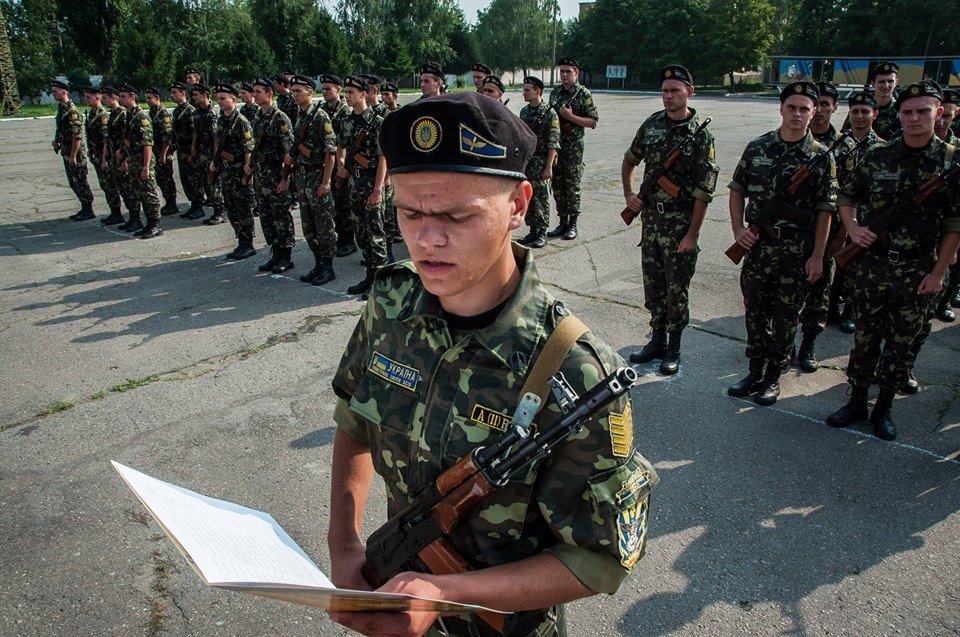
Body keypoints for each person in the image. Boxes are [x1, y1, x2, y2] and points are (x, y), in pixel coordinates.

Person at [327, 91, 656, 637]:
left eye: (458, 215)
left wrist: (447, 592)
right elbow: (353, 421)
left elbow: (597, 559)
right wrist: (344, 545)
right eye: (408, 211)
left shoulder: (576, 373)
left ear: (519, 206)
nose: (426, 239)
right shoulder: (391, 304)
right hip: (391, 600)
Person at [826, 81, 960, 440]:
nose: (914, 118)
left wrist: (938, 272)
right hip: (874, 265)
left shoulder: (950, 161)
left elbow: (953, 225)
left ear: (939, 114)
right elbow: (846, 196)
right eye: (907, 112)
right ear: (897, 115)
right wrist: (853, 229)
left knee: (901, 344)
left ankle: (883, 407)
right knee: (866, 340)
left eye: (922, 111)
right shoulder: (878, 156)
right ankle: (856, 401)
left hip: (918, 270)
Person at [727, 81, 838, 406]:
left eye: (805, 108)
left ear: (814, 112)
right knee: (755, 313)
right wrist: (737, 229)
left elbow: (825, 211)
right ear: (781, 108)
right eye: (792, 107)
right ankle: (754, 371)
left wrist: (818, 255)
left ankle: (773, 377)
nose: (798, 114)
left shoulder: (821, 158)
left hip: (797, 253)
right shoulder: (758, 147)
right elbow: (737, 188)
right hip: (758, 249)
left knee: (786, 317)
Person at [623, 65, 718, 376]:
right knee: (653, 286)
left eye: (675, 91)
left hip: (680, 224)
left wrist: (692, 234)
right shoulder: (652, 124)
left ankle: (674, 347)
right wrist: (630, 196)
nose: (668, 96)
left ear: (689, 92)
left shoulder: (700, 135)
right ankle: (657, 340)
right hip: (651, 222)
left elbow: (704, 191)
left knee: (677, 289)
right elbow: (630, 159)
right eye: (664, 91)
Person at [795, 81, 856, 372]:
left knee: (818, 294)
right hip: (790, 233)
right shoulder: (791, 142)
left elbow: (848, 195)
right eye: (814, 103)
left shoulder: (845, 146)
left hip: (828, 232)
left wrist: (842, 234)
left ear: (834, 107)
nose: (818, 110)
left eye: (824, 104)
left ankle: (808, 346)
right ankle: (784, 346)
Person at [832, 91, 886, 336]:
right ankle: (831, 305)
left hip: (866, 219)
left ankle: (850, 311)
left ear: (874, 114)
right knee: (831, 260)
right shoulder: (838, 144)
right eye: (855, 111)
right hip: (836, 212)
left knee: (856, 266)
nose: (860, 116)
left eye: (865, 111)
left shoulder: (884, 149)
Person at [335, 75, 387, 295]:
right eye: (345, 92)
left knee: (376, 233)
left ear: (363, 94)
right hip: (354, 183)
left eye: (350, 93)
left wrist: (377, 189)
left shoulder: (376, 122)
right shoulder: (347, 120)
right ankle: (369, 276)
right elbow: (341, 145)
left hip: (370, 183)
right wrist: (340, 164)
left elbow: (384, 157)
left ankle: (382, 284)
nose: (347, 96)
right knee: (361, 233)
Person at [285, 74, 338, 285]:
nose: (295, 94)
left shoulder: (320, 116)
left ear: (310, 92)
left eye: (299, 91)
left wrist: (326, 182)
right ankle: (318, 264)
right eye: (293, 91)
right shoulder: (300, 115)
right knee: (309, 227)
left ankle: (328, 267)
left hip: (317, 177)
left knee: (324, 225)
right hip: (302, 178)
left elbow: (330, 152)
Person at [248, 76, 296, 274]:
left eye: (259, 91)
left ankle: (286, 256)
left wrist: (285, 179)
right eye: (254, 91)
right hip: (262, 176)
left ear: (270, 94)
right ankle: (275, 252)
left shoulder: (280, 118)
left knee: (281, 217)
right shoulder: (259, 116)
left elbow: (289, 153)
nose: (255, 94)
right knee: (266, 218)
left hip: (276, 176)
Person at [548, 57, 598, 240]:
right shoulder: (555, 93)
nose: (564, 75)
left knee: (572, 185)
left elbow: (593, 121)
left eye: (568, 71)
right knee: (558, 185)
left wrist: (570, 117)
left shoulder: (583, 94)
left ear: (576, 73)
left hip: (573, 147)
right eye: (562, 71)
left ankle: (573, 224)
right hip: (557, 145)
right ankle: (562, 222)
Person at [211, 83, 257, 260]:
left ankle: (248, 243)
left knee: (243, 207)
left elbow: (248, 149)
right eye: (218, 99)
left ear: (233, 99)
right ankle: (240, 240)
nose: (220, 102)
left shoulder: (241, 121)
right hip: (226, 171)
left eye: (223, 98)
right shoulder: (222, 119)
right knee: (231, 207)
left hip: (238, 171)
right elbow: (218, 142)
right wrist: (215, 161)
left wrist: (247, 173)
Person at [517, 75, 560, 249]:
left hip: (542, 160)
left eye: (527, 90)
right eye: (524, 89)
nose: (524, 93)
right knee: (529, 197)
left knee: (541, 197)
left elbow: (553, 142)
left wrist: (548, 166)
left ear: (538, 91)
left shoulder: (549, 113)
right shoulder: (524, 112)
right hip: (528, 160)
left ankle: (542, 232)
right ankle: (533, 230)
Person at [117, 84, 163, 238]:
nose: (120, 99)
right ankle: (147, 223)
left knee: (148, 193)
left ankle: (155, 224)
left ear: (132, 97)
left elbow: (147, 144)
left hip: (143, 161)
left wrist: (146, 167)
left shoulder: (141, 117)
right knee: (140, 193)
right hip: (134, 160)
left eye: (123, 96)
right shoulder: (130, 116)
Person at [321, 74, 358, 258]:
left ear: (338, 89)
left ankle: (348, 239)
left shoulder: (346, 111)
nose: (325, 91)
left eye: (328, 88)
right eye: (323, 88)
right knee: (333, 203)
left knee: (344, 203)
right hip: (328, 163)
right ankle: (340, 237)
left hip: (343, 163)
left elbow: (349, 141)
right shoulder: (321, 110)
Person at [51, 80, 96, 222]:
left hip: (75, 154)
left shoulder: (72, 112)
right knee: (73, 182)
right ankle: (84, 207)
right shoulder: (62, 108)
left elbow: (77, 137)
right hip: (66, 151)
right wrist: (56, 140)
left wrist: (73, 156)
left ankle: (88, 208)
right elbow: (60, 128)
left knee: (80, 180)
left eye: (55, 91)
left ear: (64, 92)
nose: (53, 94)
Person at [83, 86, 124, 225]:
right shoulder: (92, 114)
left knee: (110, 184)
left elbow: (106, 138)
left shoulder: (103, 115)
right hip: (98, 155)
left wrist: (105, 157)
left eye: (89, 97)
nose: (86, 99)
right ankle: (114, 212)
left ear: (97, 97)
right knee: (105, 184)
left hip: (106, 156)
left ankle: (117, 212)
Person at [103, 86, 142, 231]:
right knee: (124, 190)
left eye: (123, 96)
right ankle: (132, 218)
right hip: (116, 157)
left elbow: (125, 139)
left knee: (130, 190)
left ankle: (136, 218)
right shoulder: (114, 114)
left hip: (124, 159)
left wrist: (124, 159)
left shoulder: (123, 115)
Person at [188, 84, 226, 223]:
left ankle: (220, 211)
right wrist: (193, 148)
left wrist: (215, 159)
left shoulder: (212, 114)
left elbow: (216, 139)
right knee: (204, 181)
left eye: (196, 95)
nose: (194, 97)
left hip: (210, 153)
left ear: (205, 95)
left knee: (214, 182)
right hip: (201, 152)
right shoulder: (198, 112)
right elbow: (196, 132)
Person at [843, 61, 901, 140]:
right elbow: (844, 135)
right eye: (881, 82)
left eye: (890, 81)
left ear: (896, 82)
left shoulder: (900, 111)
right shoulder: (861, 106)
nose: (886, 86)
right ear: (873, 84)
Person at [144, 87, 178, 216]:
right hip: (155, 151)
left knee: (167, 178)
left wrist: (163, 154)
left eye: (149, 98)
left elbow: (167, 136)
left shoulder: (163, 114)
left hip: (163, 152)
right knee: (160, 179)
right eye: (146, 98)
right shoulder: (152, 112)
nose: (147, 100)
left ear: (157, 98)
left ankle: (172, 203)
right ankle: (168, 202)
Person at [169, 81, 200, 219]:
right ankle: (193, 204)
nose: (172, 95)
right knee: (185, 179)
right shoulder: (177, 111)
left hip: (189, 151)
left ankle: (198, 206)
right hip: (181, 150)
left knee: (194, 178)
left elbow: (194, 132)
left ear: (183, 93)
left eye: (175, 92)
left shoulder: (190, 110)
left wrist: (193, 149)